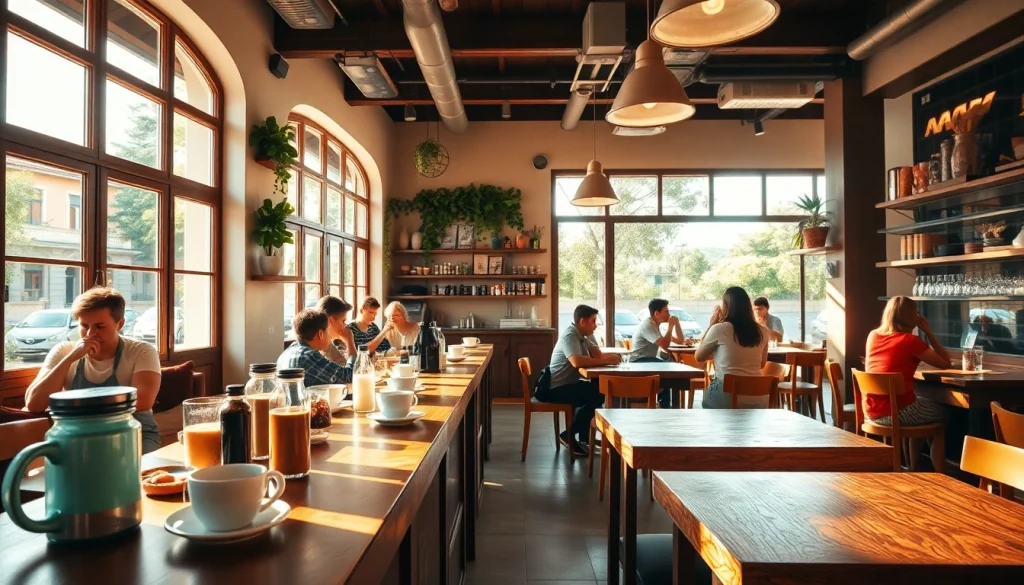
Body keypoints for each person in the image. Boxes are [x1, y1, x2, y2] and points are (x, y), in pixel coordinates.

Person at [24, 288, 163, 453]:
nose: (90, 334)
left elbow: (142, 401)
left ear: (120, 323)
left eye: (100, 326)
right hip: (79, 437)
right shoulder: (63, 351)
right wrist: (70, 359)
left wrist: (75, 405)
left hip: (135, 434)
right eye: (84, 326)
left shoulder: (142, 351)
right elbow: (33, 403)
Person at [535, 304, 621, 456]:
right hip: (555, 389)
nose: (596, 325)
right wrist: (608, 361)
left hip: (568, 384)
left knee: (596, 392)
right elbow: (577, 362)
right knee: (597, 394)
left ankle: (583, 440)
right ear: (582, 321)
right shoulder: (570, 336)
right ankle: (570, 434)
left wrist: (592, 334)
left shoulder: (580, 335)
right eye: (593, 321)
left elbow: (597, 354)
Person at [865, 296, 950, 434]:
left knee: (921, 406)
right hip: (897, 413)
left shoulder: (873, 335)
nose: (919, 316)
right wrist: (929, 332)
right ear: (909, 317)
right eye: (916, 313)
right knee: (944, 413)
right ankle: (935, 456)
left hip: (872, 411)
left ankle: (914, 456)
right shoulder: (910, 341)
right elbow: (945, 363)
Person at [695, 287, 770, 409]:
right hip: (759, 396)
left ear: (725, 306)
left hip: (727, 396)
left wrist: (711, 325)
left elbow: (699, 357)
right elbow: (761, 363)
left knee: (707, 394)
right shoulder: (763, 331)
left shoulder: (720, 328)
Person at [277, 309, 354, 387]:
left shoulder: (286, 353)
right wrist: (349, 340)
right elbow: (352, 376)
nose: (330, 336)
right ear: (320, 334)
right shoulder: (307, 356)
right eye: (328, 331)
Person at [631, 298, 686, 407]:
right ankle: (666, 406)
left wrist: (677, 324)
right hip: (639, 361)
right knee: (670, 368)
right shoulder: (648, 325)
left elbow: (680, 341)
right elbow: (665, 346)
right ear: (657, 313)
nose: (669, 314)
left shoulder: (655, 324)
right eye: (666, 311)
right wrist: (670, 327)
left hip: (648, 360)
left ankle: (666, 405)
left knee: (671, 367)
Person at [315, 295, 356, 364]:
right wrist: (349, 340)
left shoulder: (329, 345)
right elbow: (354, 371)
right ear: (330, 320)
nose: (345, 325)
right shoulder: (319, 349)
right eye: (343, 321)